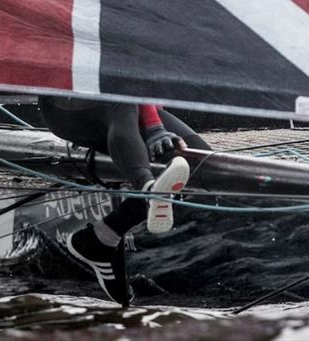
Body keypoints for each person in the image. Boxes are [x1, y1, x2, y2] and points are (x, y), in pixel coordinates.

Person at [38, 96, 211, 306]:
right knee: (122, 99)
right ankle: (149, 191)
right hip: (68, 109)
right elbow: (124, 84)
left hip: (132, 107)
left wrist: (153, 125)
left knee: (205, 164)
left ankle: (102, 237)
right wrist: (154, 128)